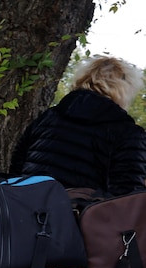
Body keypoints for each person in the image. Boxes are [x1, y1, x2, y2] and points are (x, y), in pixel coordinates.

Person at [9, 55, 146, 200]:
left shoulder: (48, 117)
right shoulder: (128, 133)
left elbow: (17, 168)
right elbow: (127, 199)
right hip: (82, 219)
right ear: (125, 89)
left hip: (26, 211)